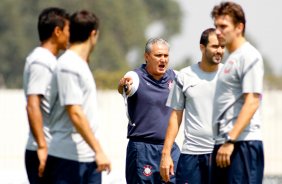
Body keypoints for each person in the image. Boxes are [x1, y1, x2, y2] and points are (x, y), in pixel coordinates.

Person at [44, 10, 111, 184]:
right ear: (93, 34)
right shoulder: (68, 64)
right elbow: (74, 111)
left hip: (87, 157)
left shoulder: (79, 64)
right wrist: (99, 150)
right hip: (67, 158)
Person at [159, 28, 225, 183]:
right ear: (202, 47)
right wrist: (166, 154)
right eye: (215, 46)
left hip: (221, 155)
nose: (220, 51)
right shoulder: (184, 76)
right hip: (191, 156)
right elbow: (175, 117)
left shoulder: (231, 76)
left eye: (222, 46)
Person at [210, 2, 264, 184]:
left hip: (241, 144)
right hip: (224, 144)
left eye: (223, 26)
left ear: (239, 27)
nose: (218, 31)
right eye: (216, 26)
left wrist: (230, 140)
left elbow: (252, 101)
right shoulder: (232, 58)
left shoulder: (249, 56)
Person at [118, 38, 180, 183]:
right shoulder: (136, 77)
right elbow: (125, 86)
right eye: (158, 55)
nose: (163, 59)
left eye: (166, 56)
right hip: (142, 149)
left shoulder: (176, 77)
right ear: (146, 57)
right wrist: (123, 86)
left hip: (169, 148)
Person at [23, 7, 70, 184]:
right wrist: (42, 146)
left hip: (53, 149)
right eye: (68, 30)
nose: (69, 36)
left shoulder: (50, 60)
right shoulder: (41, 61)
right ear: (57, 31)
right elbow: (32, 103)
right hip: (43, 150)